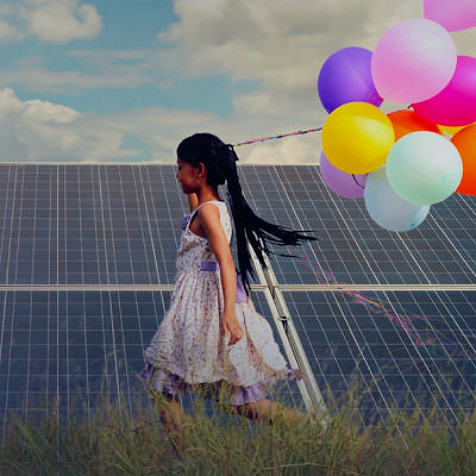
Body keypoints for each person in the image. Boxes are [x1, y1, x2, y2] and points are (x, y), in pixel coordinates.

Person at [142, 133, 317, 455]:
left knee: (166, 383)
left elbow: (225, 260)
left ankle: (184, 459)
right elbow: (194, 212)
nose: (176, 174)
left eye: (180, 167)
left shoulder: (208, 213)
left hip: (203, 311)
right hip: (200, 308)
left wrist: (229, 315)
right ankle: (311, 430)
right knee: (226, 397)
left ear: (200, 170)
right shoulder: (208, 208)